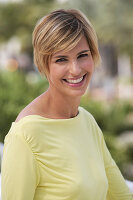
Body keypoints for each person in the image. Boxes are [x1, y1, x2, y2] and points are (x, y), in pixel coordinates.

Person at [1, 9, 133, 200]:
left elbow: (121, 195)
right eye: (61, 59)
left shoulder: (87, 122)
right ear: (44, 65)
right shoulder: (25, 136)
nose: (75, 69)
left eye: (82, 55)